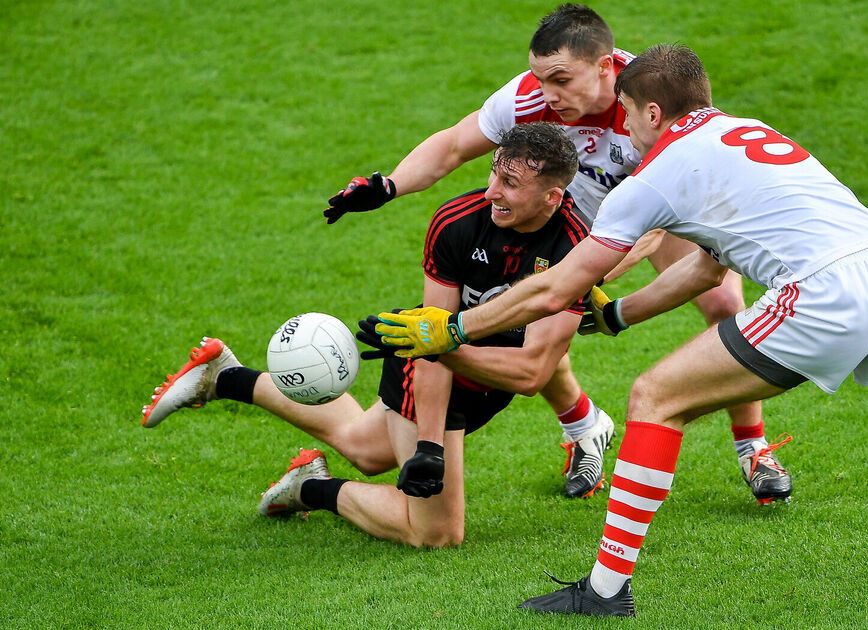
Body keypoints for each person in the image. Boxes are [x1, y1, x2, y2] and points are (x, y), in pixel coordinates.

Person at [369, 44, 868, 616]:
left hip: (826, 291)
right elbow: (708, 269)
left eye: (631, 125)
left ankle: (606, 590)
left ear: (650, 111)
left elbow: (559, 285)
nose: (625, 141)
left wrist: (453, 328)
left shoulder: (657, 169)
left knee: (655, 395)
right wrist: (624, 312)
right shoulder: (746, 130)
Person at [322, 3, 793, 504]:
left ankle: (753, 447)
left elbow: (654, 227)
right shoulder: (530, 95)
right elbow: (455, 146)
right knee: (526, 320)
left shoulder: (648, 109)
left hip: (659, 212)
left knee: (721, 302)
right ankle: (583, 425)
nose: (549, 93)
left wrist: (587, 273)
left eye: (561, 80)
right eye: (541, 77)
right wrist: (390, 185)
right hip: (562, 218)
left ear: (607, 65)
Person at [140, 123, 603, 545]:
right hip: (427, 370)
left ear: (553, 197)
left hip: (478, 373)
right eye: (493, 175)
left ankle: (226, 378)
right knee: (437, 533)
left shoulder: (577, 250)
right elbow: (429, 341)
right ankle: (315, 490)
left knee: (363, 448)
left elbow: (530, 373)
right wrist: (430, 444)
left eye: (511, 185)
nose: (492, 191)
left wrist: (440, 346)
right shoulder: (458, 224)